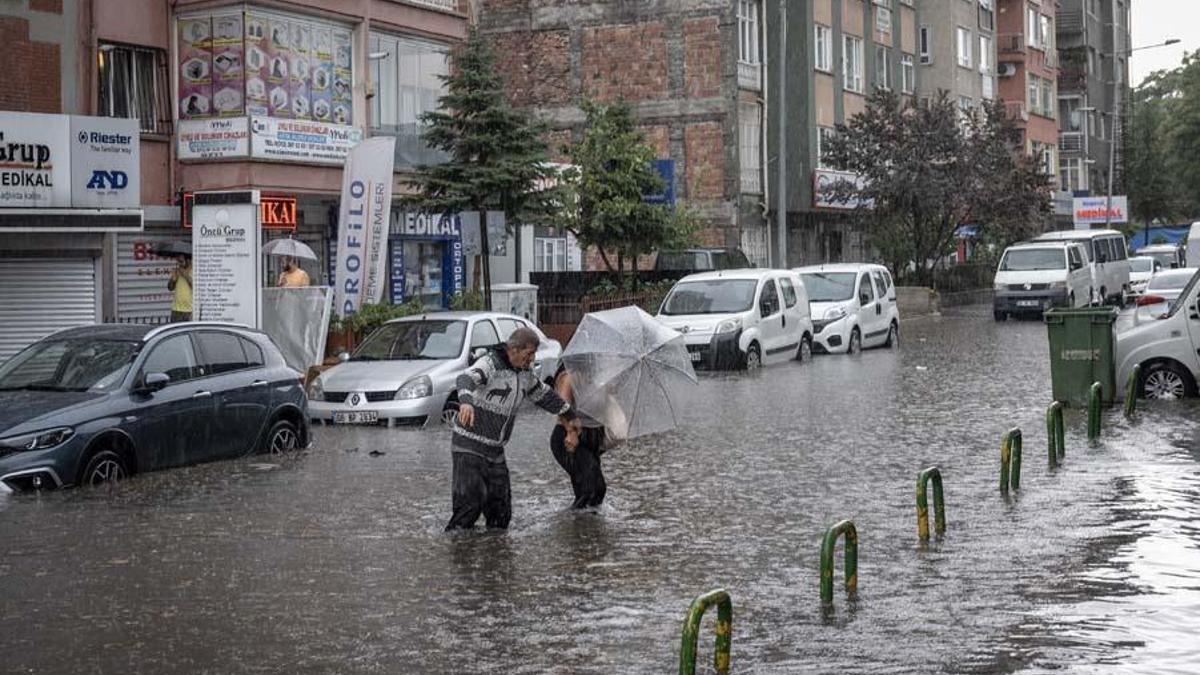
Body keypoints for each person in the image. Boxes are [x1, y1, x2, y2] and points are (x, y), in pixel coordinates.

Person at [447, 327, 579, 531]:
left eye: (534, 354)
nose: (532, 359)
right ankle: (460, 554)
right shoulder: (490, 363)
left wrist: (570, 416)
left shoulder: (525, 374)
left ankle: (496, 558)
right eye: (529, 354)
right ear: (514, 350)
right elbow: (465, 379)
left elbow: (544, 396)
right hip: (469, 447)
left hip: (495, 451)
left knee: (501, 514)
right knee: (468, 509)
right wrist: (465, 401)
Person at [549, 364, 610, 509]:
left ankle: (586, 528)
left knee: (595, 491)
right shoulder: (569, 377)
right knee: (591, 490)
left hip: (591, 440)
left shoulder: (600, 380)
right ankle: (572, 526)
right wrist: (571, 433)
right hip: (569, 438)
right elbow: (562, 407)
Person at [167, 255, 193, 323]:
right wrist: (173, 280)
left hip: (190, 310)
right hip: (176, 309)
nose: (179, 264)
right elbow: (170, 288)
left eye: (181, 261)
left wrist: (185, 274)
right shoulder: (177, 271)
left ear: (188, 261)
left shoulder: (195, 271)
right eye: (178, 262)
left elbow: (195, 287)